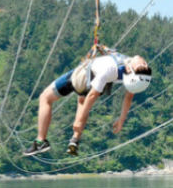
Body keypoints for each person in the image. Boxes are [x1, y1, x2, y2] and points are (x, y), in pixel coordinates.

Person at [23, 53, 152, 156]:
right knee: (83, 98)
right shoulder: (130, 70)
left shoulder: (134, 70)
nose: (142, 63)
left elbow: (96, 96)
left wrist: (121, 120)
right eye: (142, 63)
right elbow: (93, 95)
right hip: (93, 77)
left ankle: (41, 141)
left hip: (84, 77)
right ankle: (75, 140)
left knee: (45, 97)